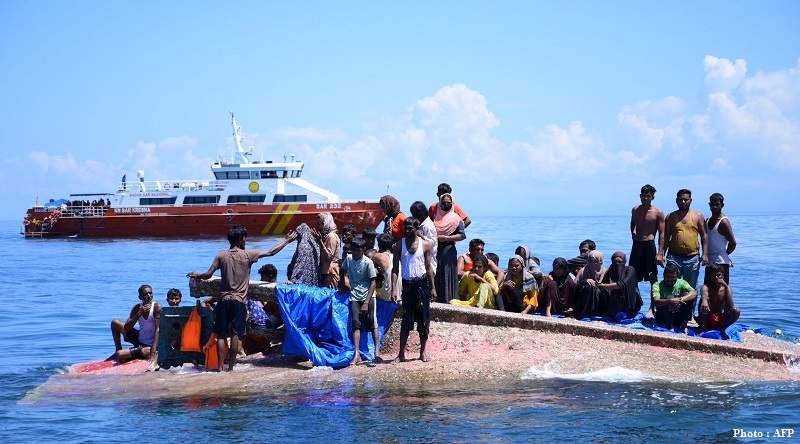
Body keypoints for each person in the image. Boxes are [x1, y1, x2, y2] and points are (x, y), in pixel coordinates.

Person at [187, 225, 297, 372]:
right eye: (245, 238)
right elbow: (271, 252)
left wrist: (198, 274)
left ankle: (220, 367)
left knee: (221, 334)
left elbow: (208, 274)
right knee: (234, 334)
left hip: (224, 300)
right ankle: (230, 368)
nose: (246, 240)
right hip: (239, 302)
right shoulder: (247, 255)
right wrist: (286, 241)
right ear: (240, 239)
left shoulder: (221, 255)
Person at [392, 217, 437, 363]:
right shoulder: (398, 246)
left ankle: (423, 352)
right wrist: (394, 289)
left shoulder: (425, 245)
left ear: (417, 228)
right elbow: (395, 269)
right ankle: (401, 354)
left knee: (424, 320)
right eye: (405, 228)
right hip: (407, 286)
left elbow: (429, 267)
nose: (406, 231)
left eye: (410, 228)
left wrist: (433, 287)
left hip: (422, 285)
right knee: (406, 319)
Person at [658, 189, 708, 295]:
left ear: (691, 200)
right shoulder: (670, 217)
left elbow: (704, 235)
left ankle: (690, 312)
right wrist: (661, 253)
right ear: (676, 201)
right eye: (681, 200)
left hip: (692, 257)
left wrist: (705, 254)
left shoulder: (698, 216)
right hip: (674, 257)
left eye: (686, 199)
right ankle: (672, 309)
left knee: (691, 288)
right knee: (672, 285)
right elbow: (666, 237)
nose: (683, 202)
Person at [341, 237, 380, 365]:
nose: (356, 252)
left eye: (358, 250)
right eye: (353, 250)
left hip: (368, 296)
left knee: (372, 323)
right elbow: (343, 270)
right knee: (355, 324)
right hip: (354, 296)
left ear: (363, 250)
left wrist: (366, 303)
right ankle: (357, 354)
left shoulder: (368, 262)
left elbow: (373, 283)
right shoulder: (349, 259)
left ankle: (377, 352)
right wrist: (343, 285)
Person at [630, 184, 665, 318]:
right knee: (633, 277)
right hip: (636, 245)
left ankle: (652, 308)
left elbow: (662, 233)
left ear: (652, 197)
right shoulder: (635, 210)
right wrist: (633, 232)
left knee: (653, 279)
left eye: (648, 196)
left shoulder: (658, 212)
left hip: (649, 246)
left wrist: (660, 253)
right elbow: (632, 223)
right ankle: (634, 305)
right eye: (643, 195)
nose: (645, 198)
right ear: (640, 195)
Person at [108, 284, 161, 370]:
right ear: (140, 297)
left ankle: (122, 354)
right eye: (146, 294)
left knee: (120, 354)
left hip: (149, 345)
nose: (149, 296)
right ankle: (118, 349)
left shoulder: (157, 307)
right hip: (139, 338)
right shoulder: (137, 307)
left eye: (150, 293)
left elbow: (158, 330)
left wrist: (153, 351)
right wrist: (138, 314)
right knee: (115, 323)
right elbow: (126, 328)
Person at [433, 193, 466, 303]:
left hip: (448, 249)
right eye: (443, 203)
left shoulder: (456, 219)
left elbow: (462, 235)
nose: (445, 205)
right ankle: (437, 298)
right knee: (437, 273)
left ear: (452, 204)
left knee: (447, 274)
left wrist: (446, 238)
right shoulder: (436, 218)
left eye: (448, 203)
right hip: (436, 249)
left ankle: (448, 300)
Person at [652, 262, 697, 331]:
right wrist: (670, 301)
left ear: (677, 276)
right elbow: (656, 301)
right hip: (663, 315)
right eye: (668, 277)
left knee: (687, 296)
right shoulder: (657, 285)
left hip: (677, 314)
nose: (670, 280)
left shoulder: (682, 283)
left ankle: (684, 325)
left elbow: (694, 293)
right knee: (668, 300)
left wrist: (680, 300)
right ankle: (669, 327)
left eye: (673, 277)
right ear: (664, 275)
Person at [697, 264, 740, 335]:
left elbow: (730, 306)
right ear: (710, 276)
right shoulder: (706, 287)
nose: (716, 277)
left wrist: (726, 287)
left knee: (736, 310)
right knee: (704, 300)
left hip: (720, 318)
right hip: (708, 317)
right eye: (713, 275)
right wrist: (704, 301)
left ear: (723, 276)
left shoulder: (727, 288)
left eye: (718, 275)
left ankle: (723, 329)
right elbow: (704, 296)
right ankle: (704, 327)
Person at [598, 252, 643, 319]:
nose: (617, 264)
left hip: (628, 302)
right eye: (615, 261)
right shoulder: (610, 270)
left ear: (625, 261)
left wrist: (603, 286)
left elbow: (622, 284)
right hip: (613, 302)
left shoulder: (630, 270)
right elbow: (602, 283)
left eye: (620, 262)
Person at [705, 193, 737, 285]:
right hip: (710, 262)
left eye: (717, 204)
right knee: (708, 291)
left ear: (722, 205)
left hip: (721, 263)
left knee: (721, 291)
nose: (714, 207)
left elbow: (733, 243)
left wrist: (725, 254)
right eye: (712, 204)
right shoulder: (708, 220)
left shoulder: (723, 222)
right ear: (709, 204)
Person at [572, 250, 608, 319]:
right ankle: (584, 312)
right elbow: (574, 286)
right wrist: (585, 281)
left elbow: (608, 290)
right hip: (584, 299)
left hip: (599, 299)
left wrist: (599, 285)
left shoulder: (604, 272)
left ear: (600, 262)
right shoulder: (583, 271)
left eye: (596, 262)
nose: (593, 264)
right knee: (587, 286)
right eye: (591, 261)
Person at [314, 212, 341, 289]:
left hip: (330, 272)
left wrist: (320, 242)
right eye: (318, 224)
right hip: (324, 271)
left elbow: (329, 257)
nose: (320, 227)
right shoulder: (325, 236)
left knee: (329, 295)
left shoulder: (331, 236)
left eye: (321, 224)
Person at [410, 200, 438, 273]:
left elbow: (432, 242)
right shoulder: (421, 224)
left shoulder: (428, 225)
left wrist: (420, 235)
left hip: (430, 260)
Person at [371, 233, 395, 301]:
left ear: (379, 246)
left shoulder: (377, 256)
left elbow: (365, 272)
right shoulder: (397, 256)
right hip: (399, 293)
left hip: (387, 295)